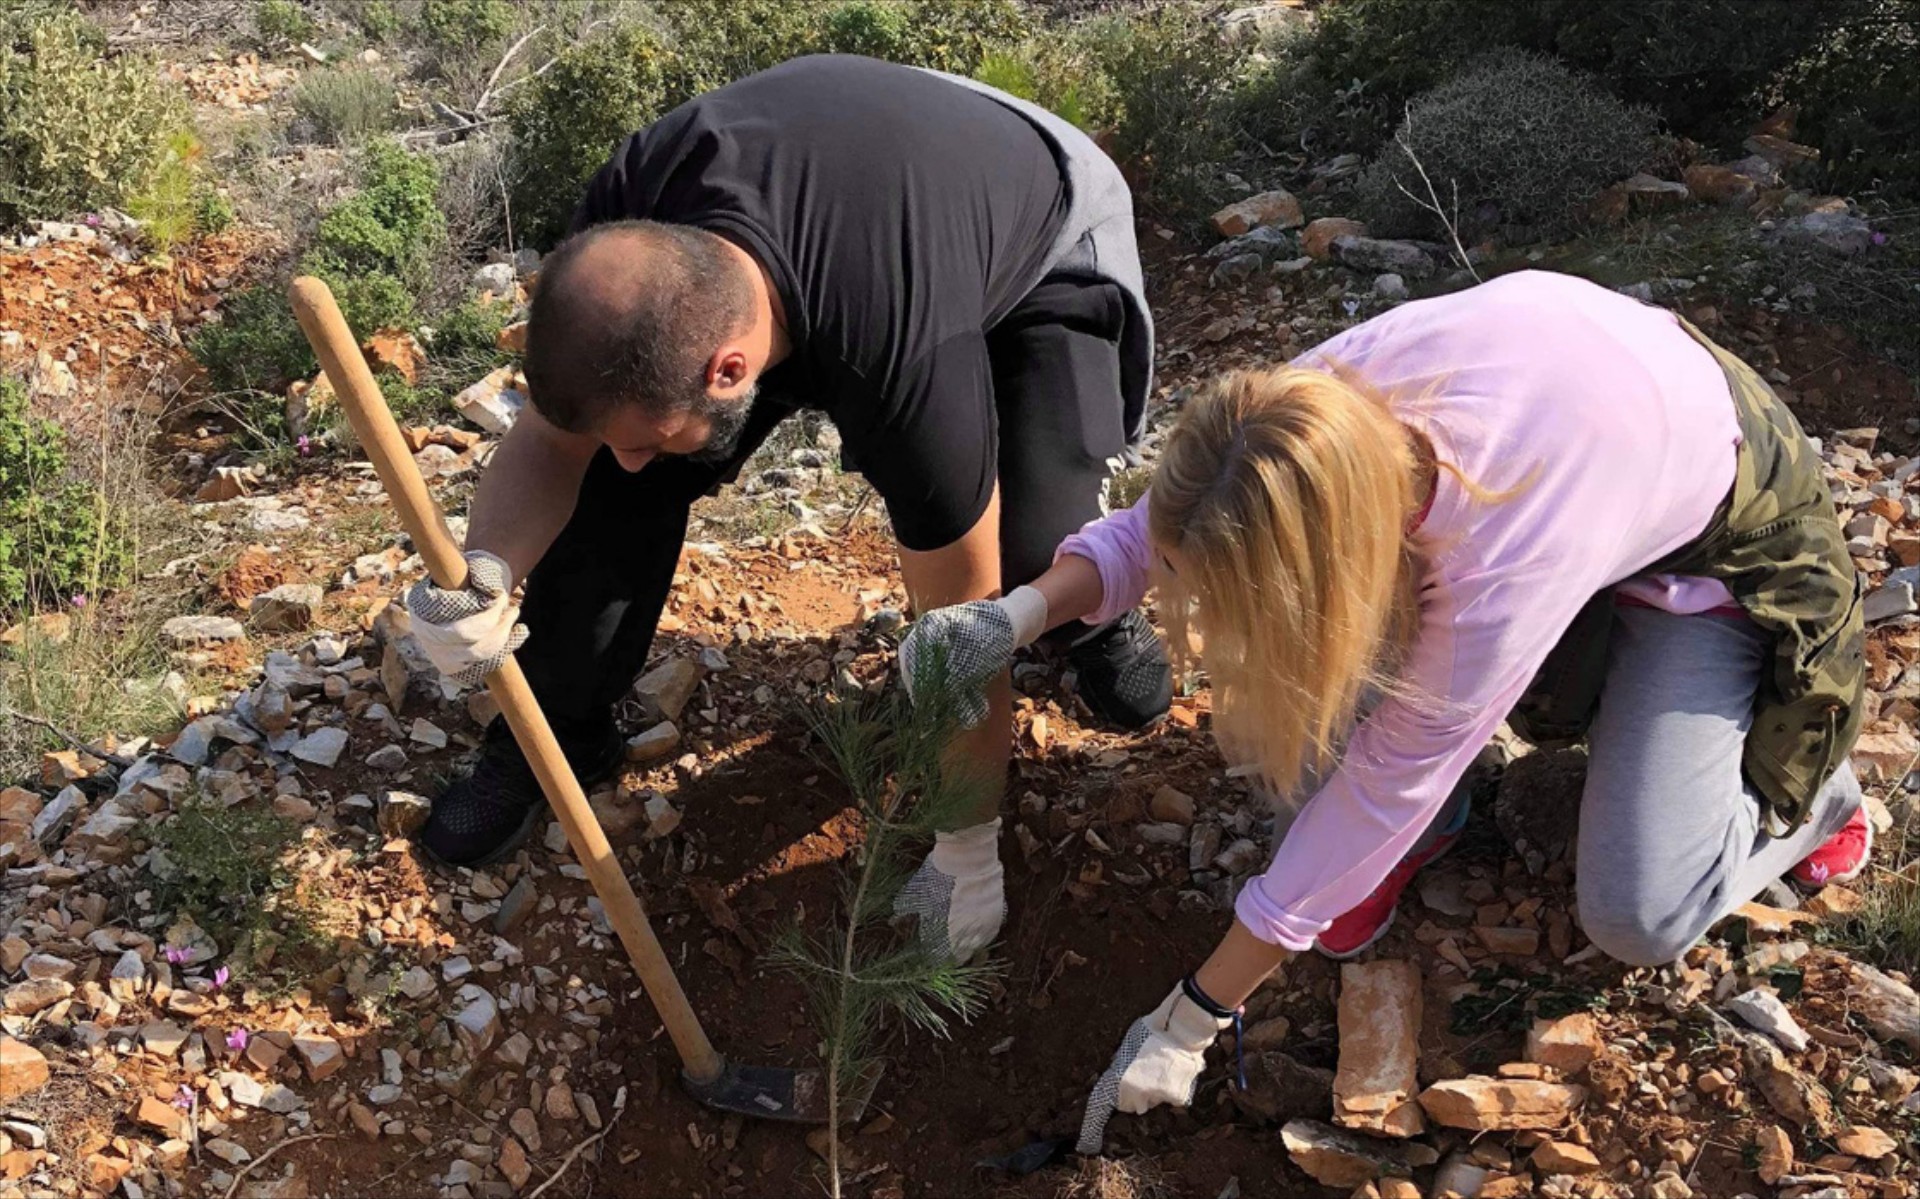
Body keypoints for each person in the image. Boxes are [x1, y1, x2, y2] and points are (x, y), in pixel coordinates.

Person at [900, 270, 1871, 1152]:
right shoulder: (1301, 415)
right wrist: (1010, 616)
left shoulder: (1497, 566)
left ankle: (1814, 799)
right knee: (1337, 705)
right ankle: (1475, 799)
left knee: (1639, 908)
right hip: (1603, 446)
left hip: (1721, 544)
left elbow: (1386, 782)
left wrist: (1192, 1016)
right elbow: (1157, 529)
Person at [400, 55, 1173, 966]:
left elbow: (962, 622)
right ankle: (554, 732)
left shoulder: (900, 349)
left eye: (646, 430)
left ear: (730, 368)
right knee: (620, 488)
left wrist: (966, 850)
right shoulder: (629, 244)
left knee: (1032, 557)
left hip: (1031, 217)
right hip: (844, 182)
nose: (630, 448)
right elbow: (556, 437)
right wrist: (489, 567)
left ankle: (1092, 628)